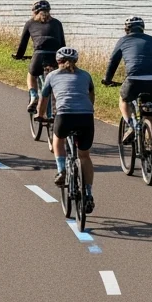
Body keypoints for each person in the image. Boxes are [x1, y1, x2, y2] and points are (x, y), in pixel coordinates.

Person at [40, 46, 96, 213]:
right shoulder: (86, 75)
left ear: (58, 62)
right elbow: (91, 94)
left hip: (64, 115)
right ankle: (88, 193)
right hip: (86, 116)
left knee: (58, 139)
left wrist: (40, 115)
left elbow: (44, 99)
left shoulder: (52, 75)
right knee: (84, 156)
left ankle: (61, 170)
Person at [101, 16, 152, 167]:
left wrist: (107, 79)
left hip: (134, 78)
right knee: (151, 117)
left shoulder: (123, 40)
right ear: (143, 28)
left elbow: (113, 61)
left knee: (123, 99)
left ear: (126, 29)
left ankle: (130, 125)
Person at [12, 0, 66, 112]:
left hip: (38, 56)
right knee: (55, 81)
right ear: (49, 11)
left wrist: (18, 56)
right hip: (55, 57)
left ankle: (33, 95)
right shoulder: (57, 23)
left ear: (34, 12)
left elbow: (23, 44)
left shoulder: (30, 23)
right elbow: (62, 45)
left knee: (31, 75)